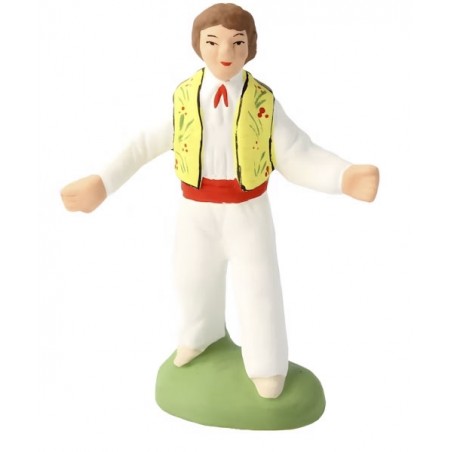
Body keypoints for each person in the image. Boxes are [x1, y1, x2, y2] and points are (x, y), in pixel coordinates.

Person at [61, 3, 379, 399]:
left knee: (258, 287)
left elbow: (296, 152)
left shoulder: (263, 102)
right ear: (198, 45)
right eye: (212, 42)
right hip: (195, 210)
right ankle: (201, 336)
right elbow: (142, 144)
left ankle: (267, 365)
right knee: (192, 279)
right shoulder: (184, 97)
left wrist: (342, 176)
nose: (224, 52)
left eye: (236, 43)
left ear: (250, 48)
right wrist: (103, 183)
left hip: (248, 211)